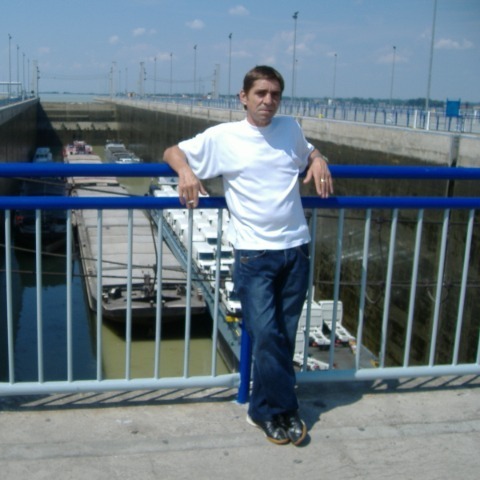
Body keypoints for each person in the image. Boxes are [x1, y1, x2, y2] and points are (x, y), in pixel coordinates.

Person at [163, 65, 333, 446]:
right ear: (243, 97)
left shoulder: (290, 129)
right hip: (254, 255)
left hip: (296, 250)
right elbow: (172, 151)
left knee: (284, 336)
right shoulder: (224, 137)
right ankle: (286, 408)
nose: (268, 101)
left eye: (275, 94)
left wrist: (318, 157)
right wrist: (185, 172)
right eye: (260, 93)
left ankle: (262, 410)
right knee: (267, 335)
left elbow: (307, 151)